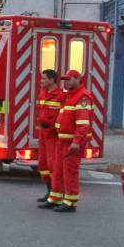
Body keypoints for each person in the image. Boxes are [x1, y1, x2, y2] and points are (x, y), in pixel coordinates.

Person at [52, 69, 94, 214]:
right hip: (63, 141)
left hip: (71, 143)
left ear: (77, 79)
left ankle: (70, 202)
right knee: (58, 171)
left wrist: (76, 142)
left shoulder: (82, 97)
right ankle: (56, 198)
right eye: (65, 80)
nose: (66, 82)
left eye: (69, 79)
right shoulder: (70, 96)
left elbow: (83, 124)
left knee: (70, 172)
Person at [34, 69, 64, 209]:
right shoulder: (43, 93)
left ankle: (55, 194)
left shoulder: (60, 95)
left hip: (53, 135)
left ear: (52, 80)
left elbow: (63, 116)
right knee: (43, 164)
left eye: (44, 78)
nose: (41, 81)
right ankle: (49, 191)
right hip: (43, 133)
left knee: (53, 166)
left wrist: (54, 128)